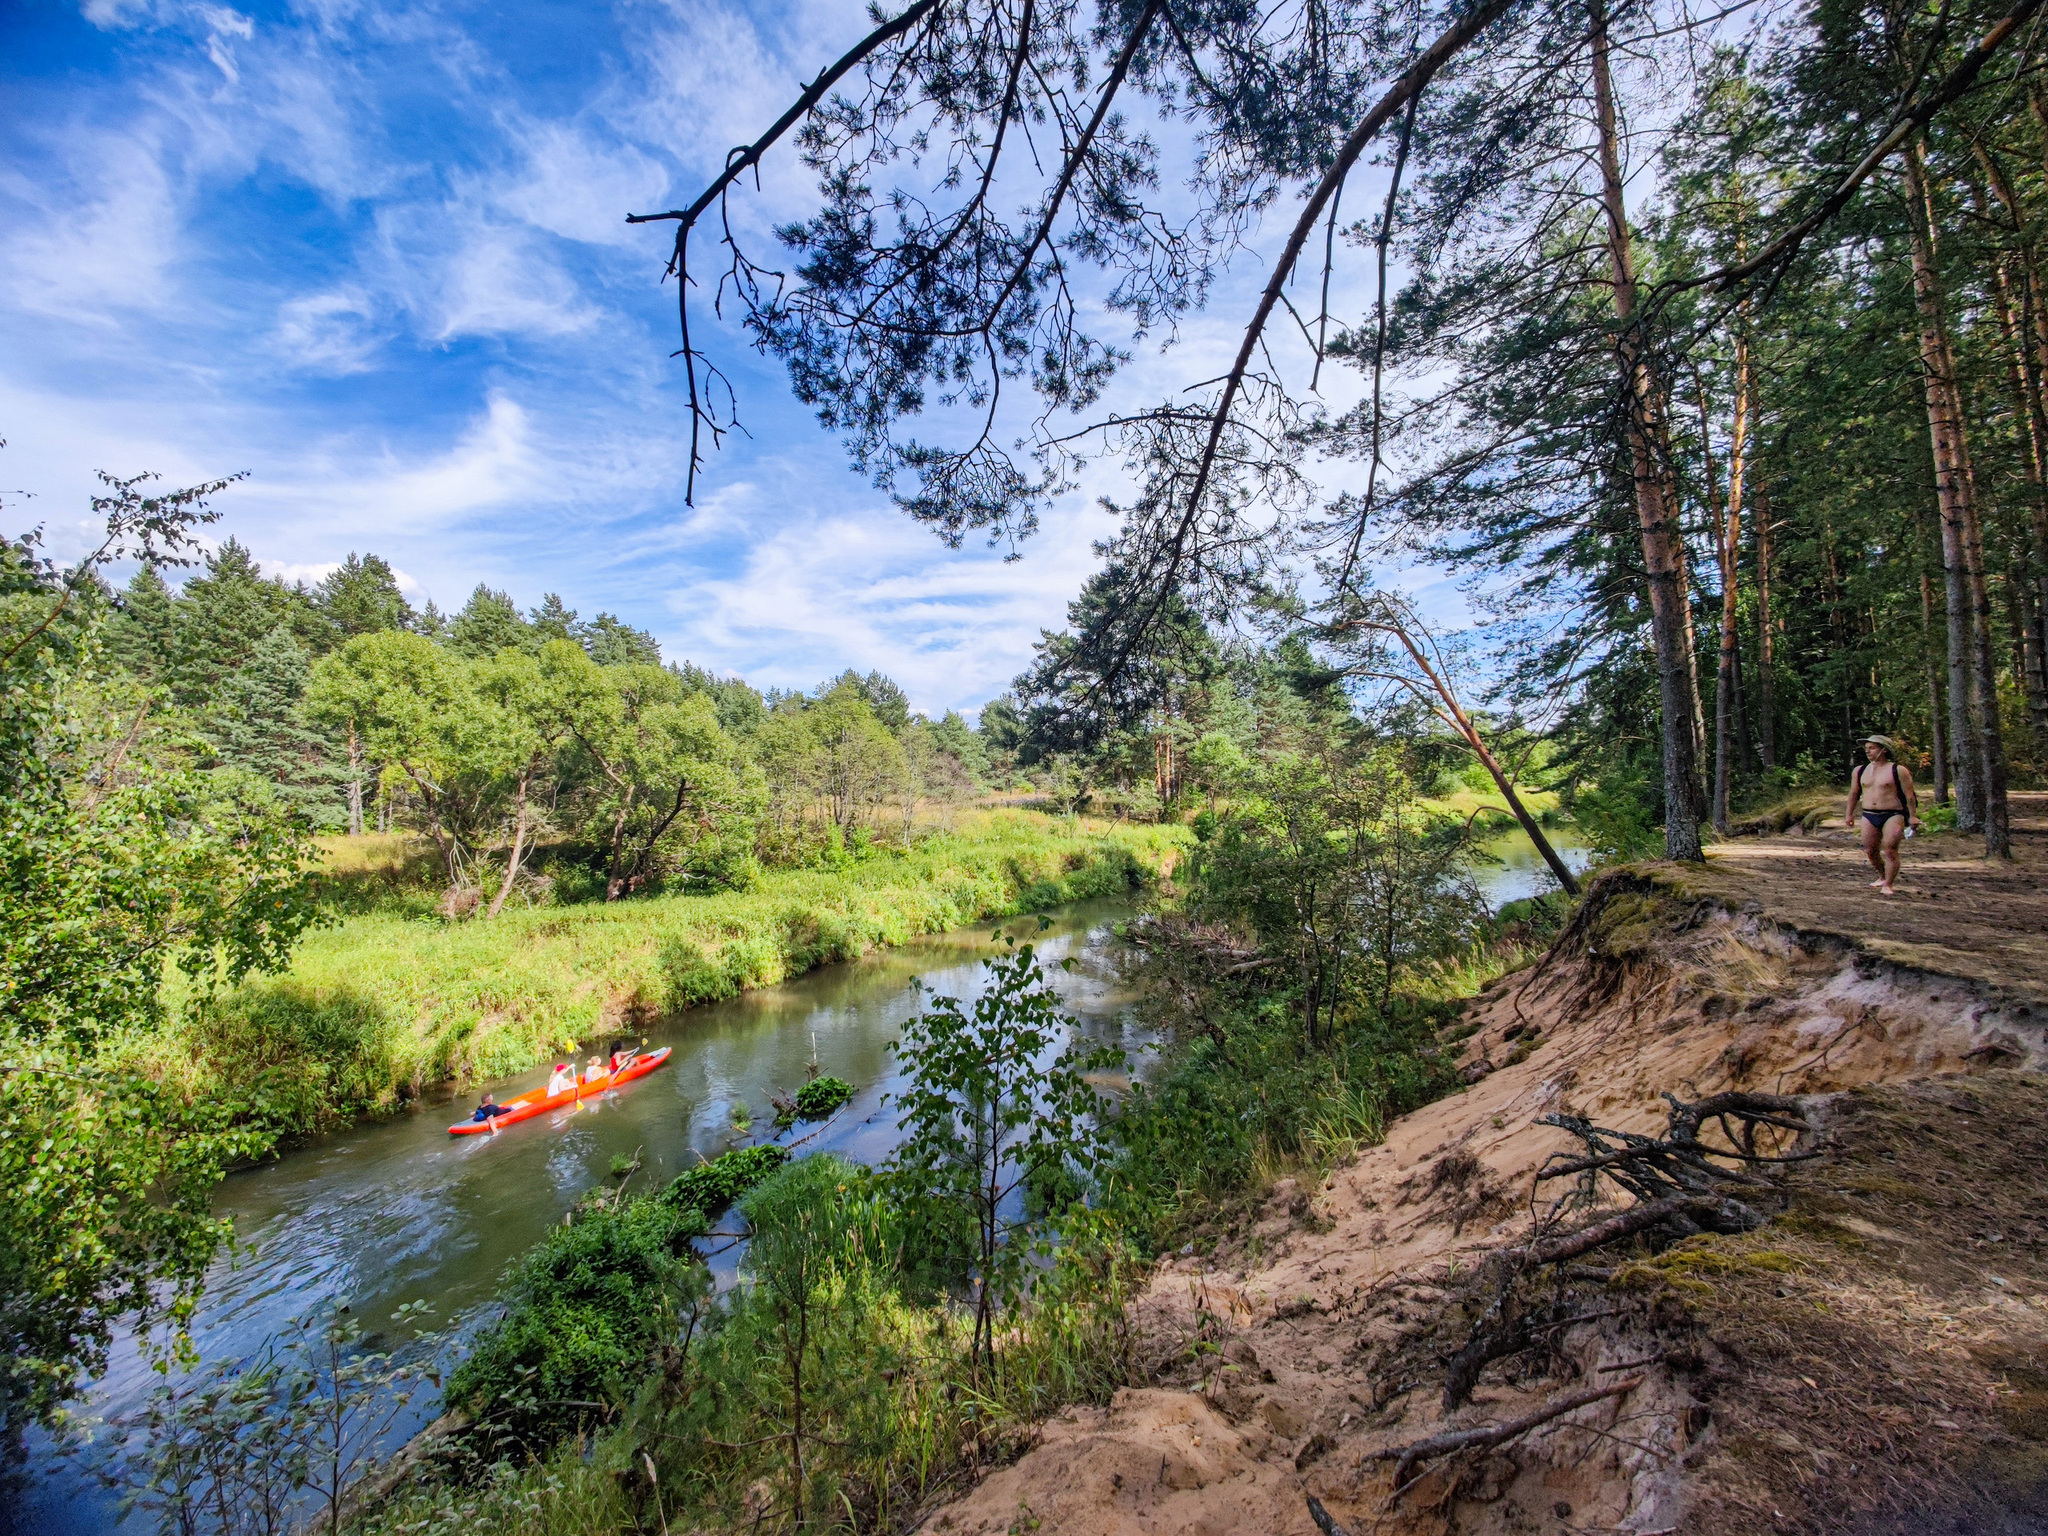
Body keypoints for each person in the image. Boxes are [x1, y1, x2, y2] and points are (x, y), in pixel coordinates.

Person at [1843, 734, 1921, 896]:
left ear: (1884, 750)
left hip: (1893, 814)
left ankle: (1889, 884)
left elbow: (1909, 796)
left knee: (1890, 848)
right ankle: (1882, 875)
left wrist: (1913, 816)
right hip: (1869, 814)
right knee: (1870, 850)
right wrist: (1849, 814)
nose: (1868, 751)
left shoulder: (1898, 770)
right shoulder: (1860, 771)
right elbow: (1854, 793)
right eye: (1866, 749)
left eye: (1872, 748)